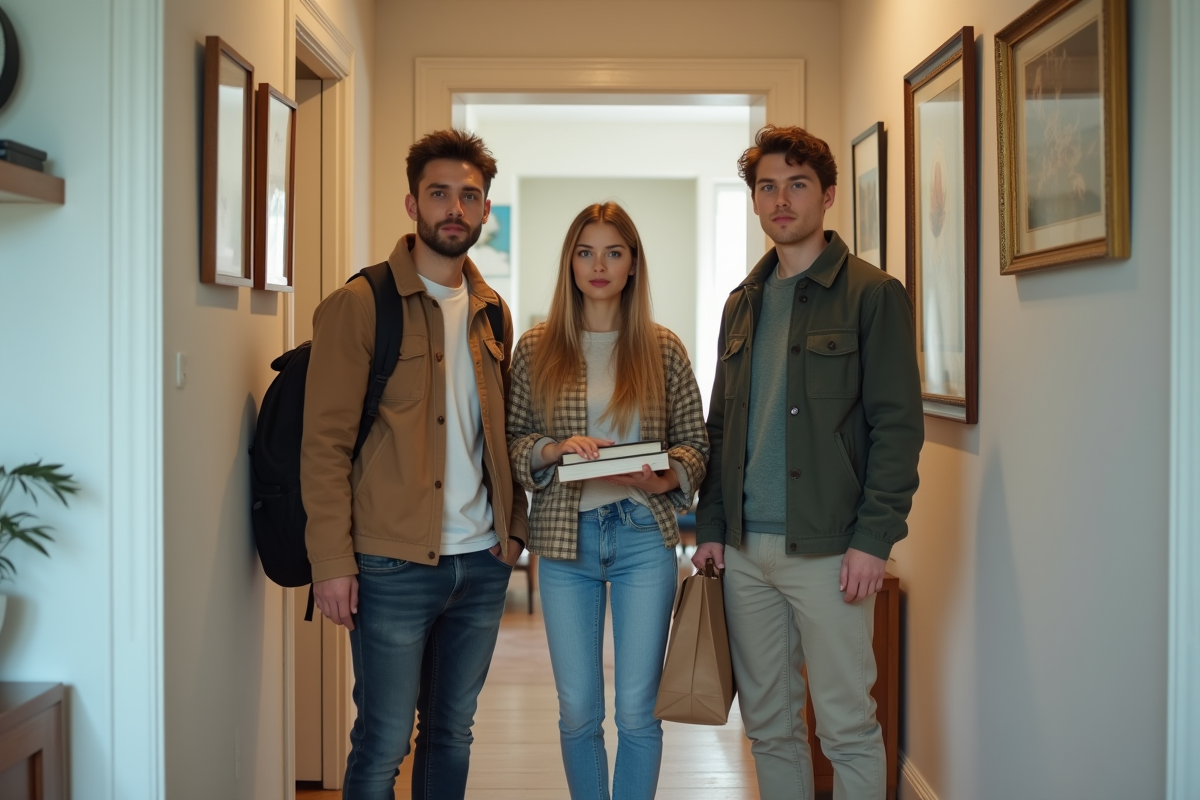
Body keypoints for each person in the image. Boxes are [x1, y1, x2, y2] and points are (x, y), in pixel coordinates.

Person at [694, 125, 924, 800]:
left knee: (847, 725)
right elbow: (721, 425)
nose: (781, 200)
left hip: (832, 551)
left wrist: (872, 540)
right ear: (756, 201)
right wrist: (710, 526)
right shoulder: (741, 304)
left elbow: (897, 427)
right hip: (743, 550)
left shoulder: (872, 294)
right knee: (768, 725)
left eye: (797, 185)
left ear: (827, 196)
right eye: (767, 187)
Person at [300, 129, 528, 800]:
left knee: (452, 732)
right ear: (412, 204)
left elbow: (499, 433)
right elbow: (325, 445)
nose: (454, 208)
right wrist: (331, 564)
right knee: (382, 740)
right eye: (439, 195)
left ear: (485, 210)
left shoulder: (493, 313)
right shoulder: (360, 305)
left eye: (469, 196)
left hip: (482, 561)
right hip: (390, 564)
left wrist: (511, 533)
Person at [506, 202, 709, 800]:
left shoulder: (663, 348)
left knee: (639, 711)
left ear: (632, 264)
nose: (599, 265)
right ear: (570, 262)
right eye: (586, 252)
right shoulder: (536, 346)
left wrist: (664, 476)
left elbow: (696, 446)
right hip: (567, 541)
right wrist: (551, 448)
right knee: (577, 710)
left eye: (613, 252)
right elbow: (513, 442)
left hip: (644, 536)